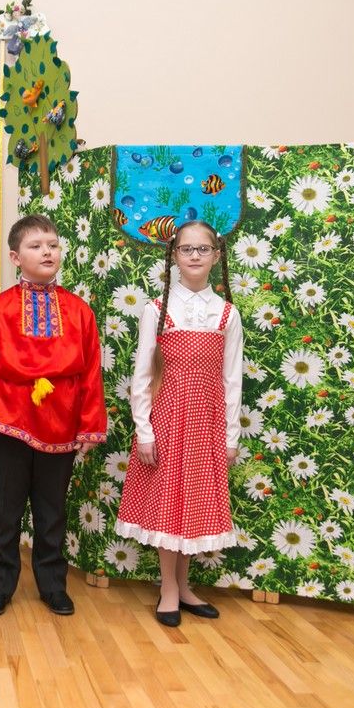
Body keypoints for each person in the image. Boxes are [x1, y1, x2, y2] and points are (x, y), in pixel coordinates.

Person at [0, 214, 107, 617]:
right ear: (15, 257)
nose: (47, 252)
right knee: (5, 512)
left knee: (52, 511)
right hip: (8, 419)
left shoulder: (79, 311)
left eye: (53, 245)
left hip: (61, 420)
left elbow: (91, 371)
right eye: (36, 246)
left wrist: (91, 425)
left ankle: (53, 585)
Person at [114, 220, 243, 627]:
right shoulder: (157, 309)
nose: (194, 256)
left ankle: (185, 587)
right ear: (174, 255)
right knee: (169, 505)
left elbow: (232, 379)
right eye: (186, 249)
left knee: (194, 506)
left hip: (207, 423)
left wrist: (231, 436)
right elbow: (142, 375)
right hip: (168, 418)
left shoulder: (227, 314)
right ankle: (168, 588)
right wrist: (144, 430)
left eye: (203, 249)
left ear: (216, 256)